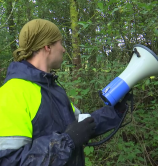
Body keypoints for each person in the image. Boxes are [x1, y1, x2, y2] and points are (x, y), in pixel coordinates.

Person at [0, 19, 127, 166]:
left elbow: (82, 126)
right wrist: (67, 141)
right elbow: (10, 160)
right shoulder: (12, 93)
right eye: (60, 43)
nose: (63, 49)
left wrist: (116, 111)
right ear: (47, 46)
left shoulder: (54, 90)